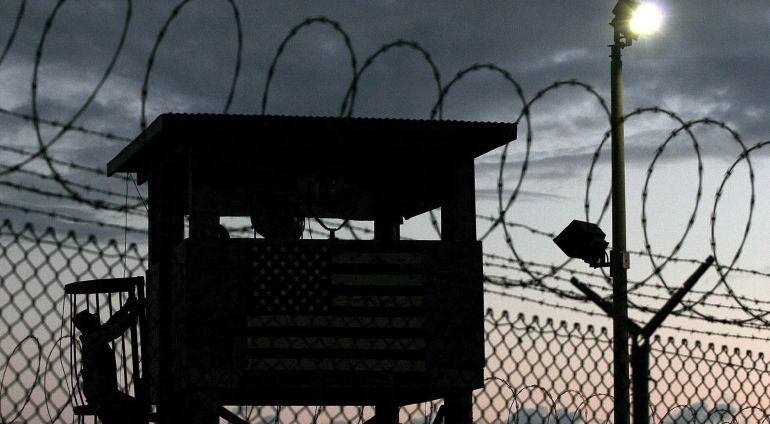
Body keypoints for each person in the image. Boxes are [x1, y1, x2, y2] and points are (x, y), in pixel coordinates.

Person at [73, 297, 144, 424]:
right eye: (93, 319)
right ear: (88, 325)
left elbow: (110, 324)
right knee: (137, 410)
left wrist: (126, 309)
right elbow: (115, 329)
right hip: (102, 396)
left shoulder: (93, 337)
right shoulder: (94, 339)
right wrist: (135, 312)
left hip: (102, 394)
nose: (97, 320)